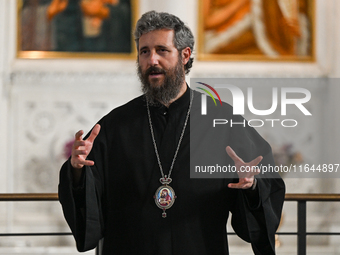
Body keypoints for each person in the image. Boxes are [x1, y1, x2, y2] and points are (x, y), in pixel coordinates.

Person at [59, 10, 285, 254]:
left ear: (185, 55)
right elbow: (88, 206)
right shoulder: (115, 125)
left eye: (161, 50)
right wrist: (77, 171)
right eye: (144, 51)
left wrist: (252, 185)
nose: (151, 60)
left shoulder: (223, 120)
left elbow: (266, 183)